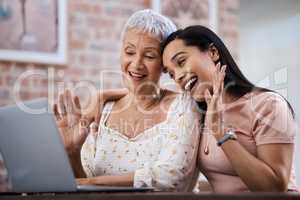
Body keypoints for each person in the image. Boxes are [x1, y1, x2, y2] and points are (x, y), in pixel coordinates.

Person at [53, 10, 200, 191]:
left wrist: (92, 182)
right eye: (129, 52)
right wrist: (72, 152)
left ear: (164, 64)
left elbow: (170, 178)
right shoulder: (101, 111)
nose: (137, 63)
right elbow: (83, 187)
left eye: (149, 56)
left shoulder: (183, 106)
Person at [160, 25, 298, 192]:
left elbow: (275, 188)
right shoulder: (197, 114)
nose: (178, 77)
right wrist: (122, 94)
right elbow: (154, 96)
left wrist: (221, 133)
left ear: (213, 53)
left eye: (181, 62)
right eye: (172, 74)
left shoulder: (268, 105)